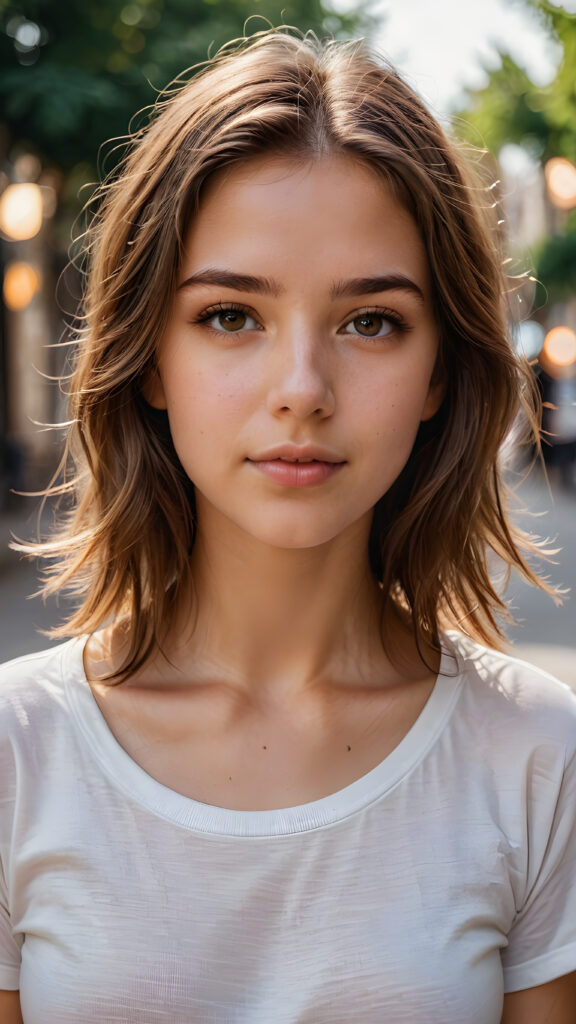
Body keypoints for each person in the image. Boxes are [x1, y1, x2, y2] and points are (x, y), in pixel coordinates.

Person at [1, 28, 575, 1024]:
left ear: (441, 369)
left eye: (372, 321)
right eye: (231, 315)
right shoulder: (18, 751)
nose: (302, 390)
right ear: (149, 356)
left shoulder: (535, 756)